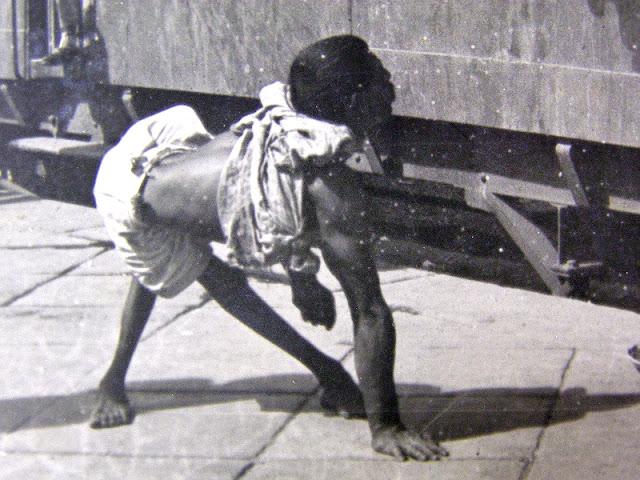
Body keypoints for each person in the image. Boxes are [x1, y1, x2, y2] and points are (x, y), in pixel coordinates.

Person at [91, 35, 448, 461]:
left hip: (163, 152)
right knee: (217, 279)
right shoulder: (332, 187)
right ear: (351, 103)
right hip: (129, 193)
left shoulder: (297, 123)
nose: (390, 84)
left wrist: (302, 277)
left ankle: (329, 375)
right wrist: (385, 425)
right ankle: (112, 382)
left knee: (199, 251)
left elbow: (281, 209)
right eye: (376, 77)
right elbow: (369, 308)